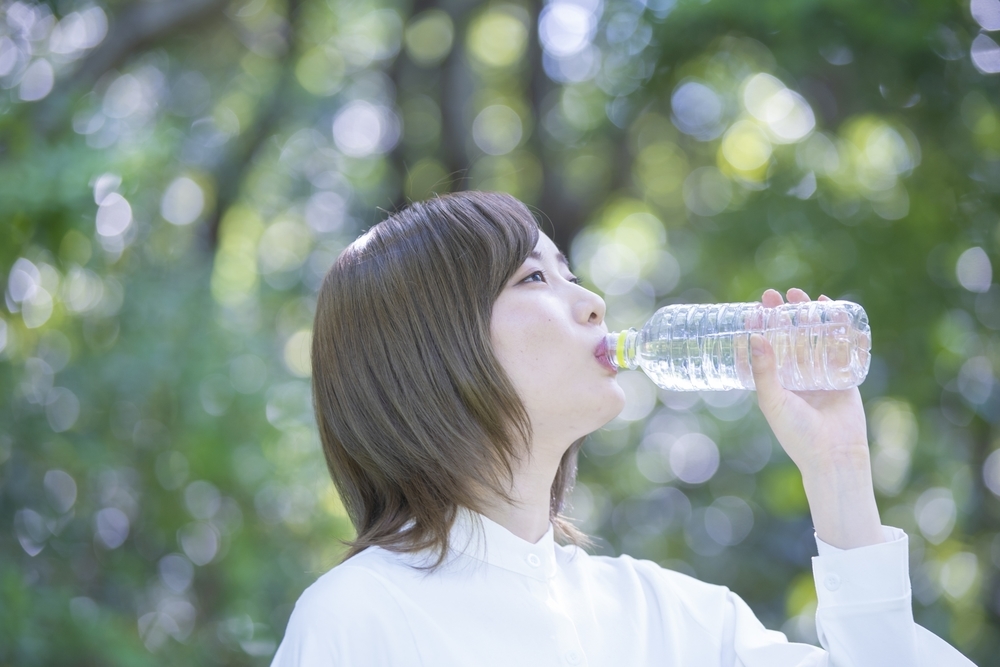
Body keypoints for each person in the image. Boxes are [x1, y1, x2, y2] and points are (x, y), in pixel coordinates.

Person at [271, 190, 975, 666]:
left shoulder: (664, 616)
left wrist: (839, 469)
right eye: (534, 279)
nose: (593, 303)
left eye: (569, 271)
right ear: (428, 348)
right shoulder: (358, 618)